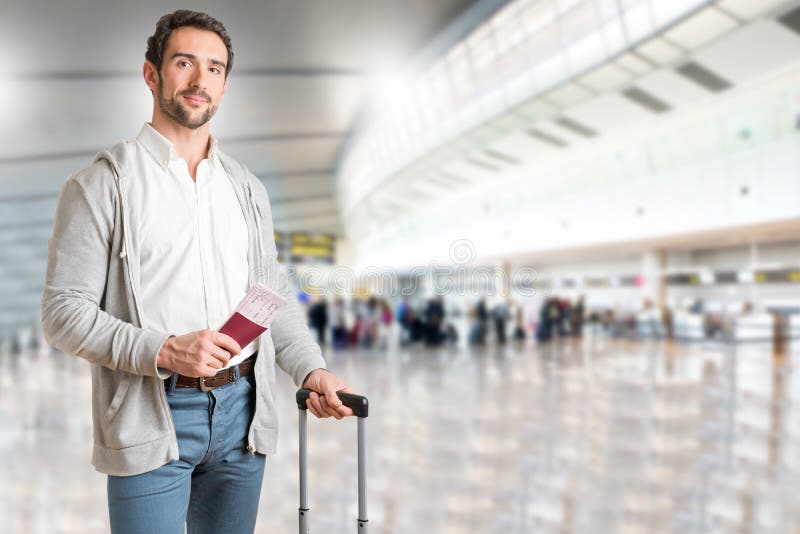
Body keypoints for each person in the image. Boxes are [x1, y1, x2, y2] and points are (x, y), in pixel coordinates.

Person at [40, 10, 353, 534]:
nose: (198, 80)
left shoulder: (246, 189)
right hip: (153, 413)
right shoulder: (101, 185)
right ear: (152, 74)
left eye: (214, 68)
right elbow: (62, 312)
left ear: (225, 85)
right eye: (184, 62)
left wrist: (311, 369)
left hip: (243, 413)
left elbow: (268, 296)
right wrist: (162, 350)